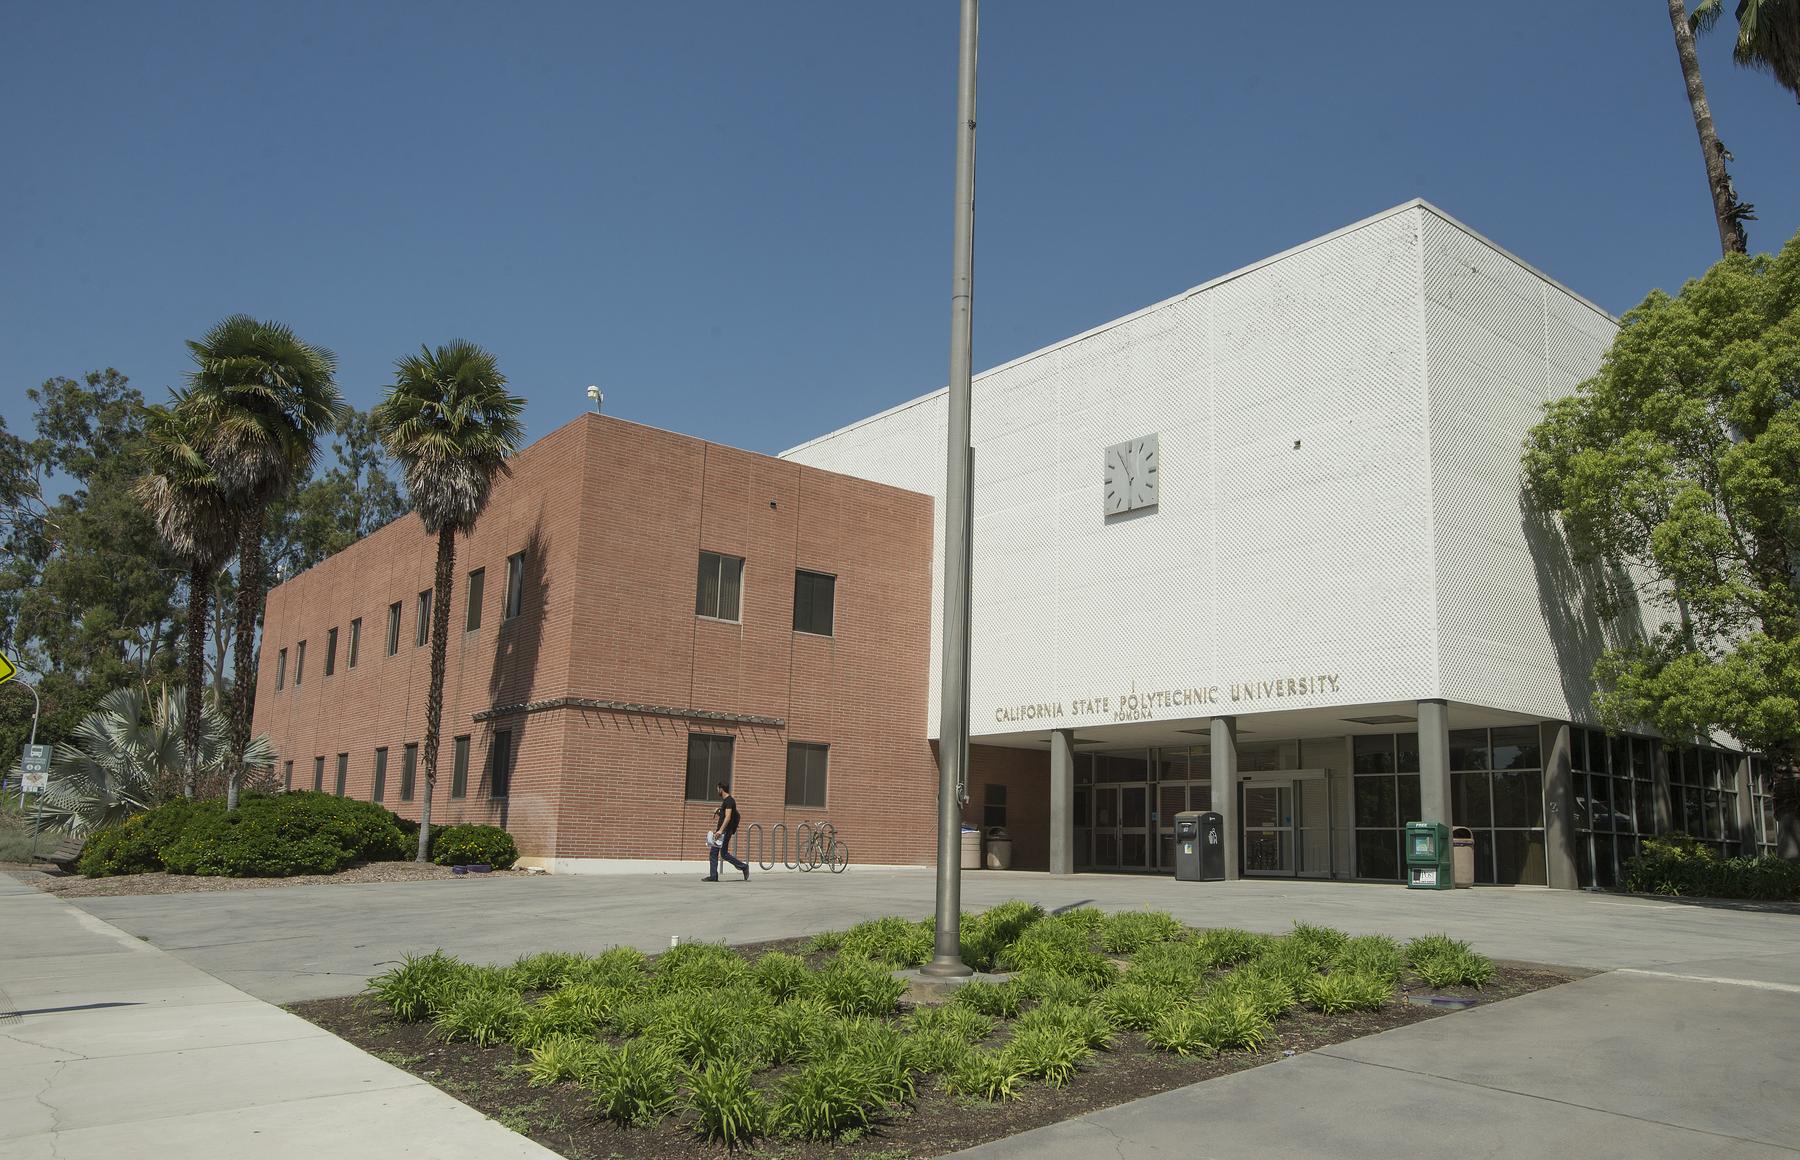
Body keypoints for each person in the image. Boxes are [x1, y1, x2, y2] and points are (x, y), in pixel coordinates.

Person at [704, 780, 749, 881]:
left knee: (722, 854)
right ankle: (713, 876)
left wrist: (720, 831)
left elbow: (728, 817)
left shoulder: (729, 801)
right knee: (716, 852)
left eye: (717, 789)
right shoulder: (726, 801)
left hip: (724, 831)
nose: (717, 791)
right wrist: (719, 811)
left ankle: (743, 867)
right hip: (723, 831)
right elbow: (725, 815)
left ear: (721, 789)